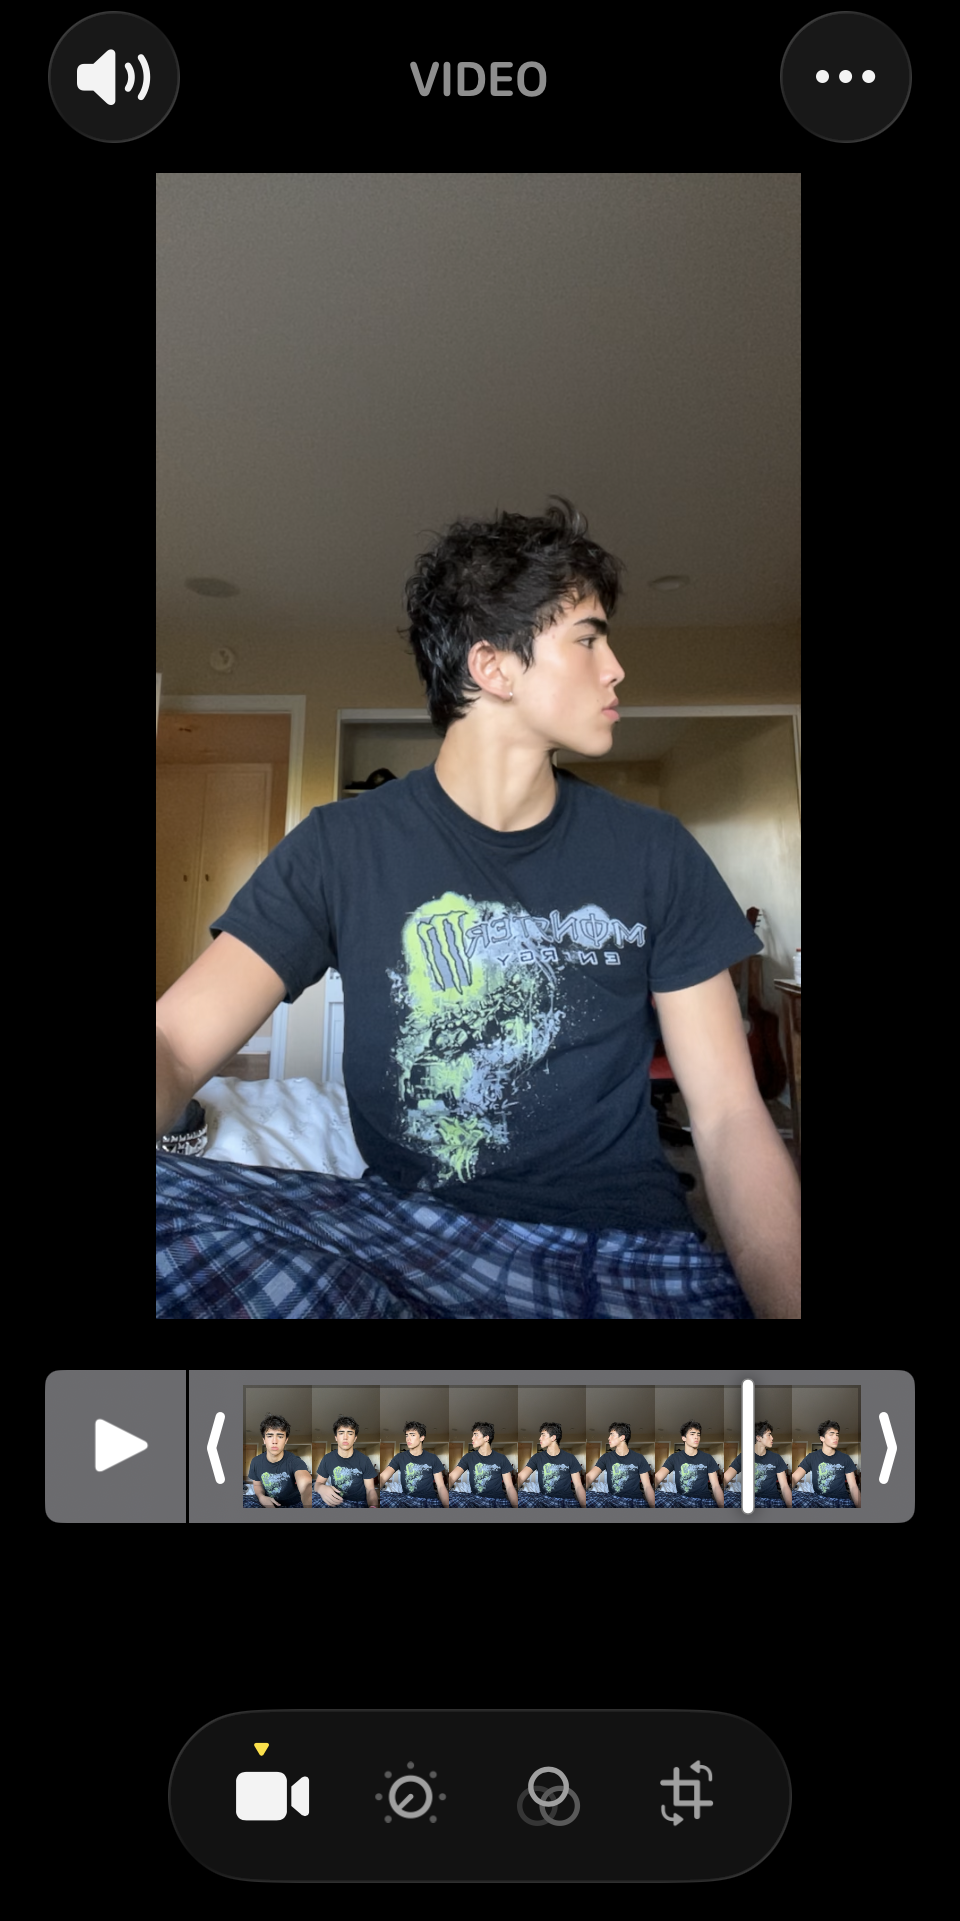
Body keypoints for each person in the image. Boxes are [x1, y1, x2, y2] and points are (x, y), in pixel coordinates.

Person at [157, 497, 800, 1321]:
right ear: (493, 666)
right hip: (408, 1245)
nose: (616, 668)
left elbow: (731, 1115)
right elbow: (176, 1043)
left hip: (617, 1250)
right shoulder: (338, 846)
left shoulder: (655, 851)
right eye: (589, 638)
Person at [247, 1414, 313, 1509]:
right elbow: (257, 1484)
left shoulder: (295, 1461)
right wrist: (261, 1497)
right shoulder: (255, 1462)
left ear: (286, 1440)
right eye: (270, 1436)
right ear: (264, 1440)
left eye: (280, 1436)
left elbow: (306, 1486)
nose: (274, 1441)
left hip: (294, 1503)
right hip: (268, 1501)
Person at [654, 1421, 724, 1505]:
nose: (696, 1437)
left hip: (704, 1500)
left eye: (698, 1434)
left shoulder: (708, 1458)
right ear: (684, 1438)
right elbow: (657, 1477)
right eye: (692, 1434)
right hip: (682, 1500)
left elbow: (716, 1486)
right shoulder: (674, 1458)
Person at [585, 1423, 656, 1505]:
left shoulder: (639, 1458)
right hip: (613, 1499)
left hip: (634, 1499)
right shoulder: (606, 1457)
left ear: (622, 1437)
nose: (608, 1438)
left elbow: (647, 1486)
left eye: (612, 1435)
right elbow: (589, 1477)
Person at [315, 1416, 379, 1507]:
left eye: (350, 1433)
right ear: (336, 1437)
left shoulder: (365, 1460)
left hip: (359, 1503)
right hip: (336, 1501)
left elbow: (370, 1490)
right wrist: (321, 1488)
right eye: (341, 1433)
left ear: (355, 1438)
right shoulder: (327, 1459)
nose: (345, 1437)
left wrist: (373, 1506)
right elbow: (317, 1484)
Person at [792, 1421, 860, 1504]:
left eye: (837, 1434)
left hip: (840, 1500)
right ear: (822, 1438)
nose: (836, 1438)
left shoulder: (845, 1458)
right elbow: (794, 1477)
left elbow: (853, 1486)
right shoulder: (811, 1457)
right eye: (831, 1434)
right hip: (819, 1500)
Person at [381, 1421, 449, 1504]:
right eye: (407, 1435)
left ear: (422, 1438)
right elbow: (383, 1477)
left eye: (412, 1435)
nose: (408, 1439)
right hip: (407, 1500)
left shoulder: (433, 1458)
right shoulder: (399, 1457)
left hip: (428, 1500)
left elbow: (441, 1486)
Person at [449, 1423, 518, 1503]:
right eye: (473, 1435)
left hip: (497, 1500)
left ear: (486, 1438)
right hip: (476, 1500)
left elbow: (509, 1487)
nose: (472, 1438)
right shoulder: (468, 1457)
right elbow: (452, 1477)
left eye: (476, 1435)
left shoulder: (502, 1458)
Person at [725, 1421, 792, 1504]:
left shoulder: (776, 1458)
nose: (772, 1438)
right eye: (769, 1435)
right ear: (758, 1438)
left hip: (772, 1499)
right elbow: (725, 1478)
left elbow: (784, 1486)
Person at [518, 1424, 587, 1505]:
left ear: (553, 1438)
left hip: (566, 1499)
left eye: (543, 1435)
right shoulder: (537, 1457)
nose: (540, 1438)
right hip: (544, 1499)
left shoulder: (570, 1458)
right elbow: (520, 1477)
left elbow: (578, 1486)